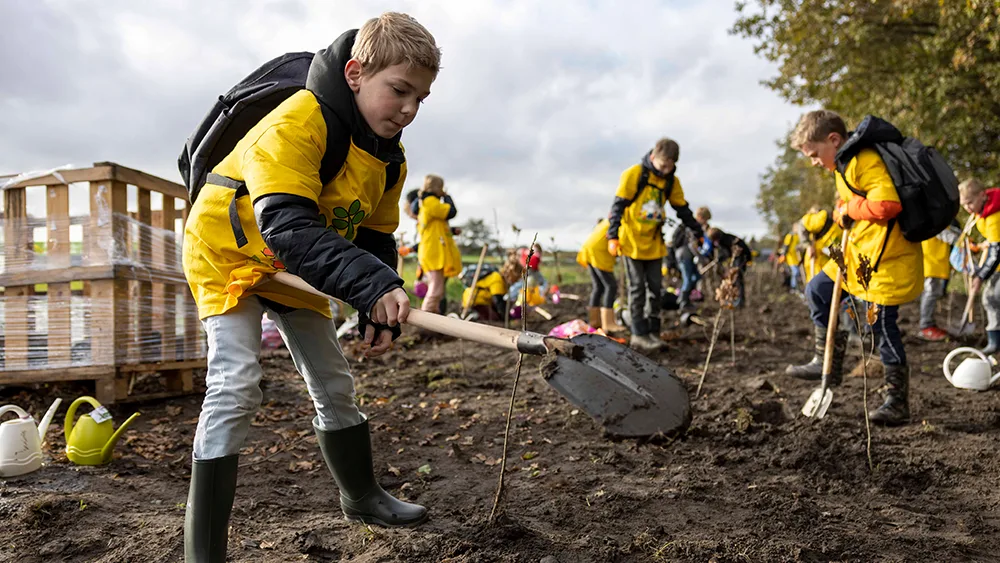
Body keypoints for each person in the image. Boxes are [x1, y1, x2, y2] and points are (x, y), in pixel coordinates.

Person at [181, 13, 440, 561]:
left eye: (421, 97)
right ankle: (203, 550)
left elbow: (373, 235)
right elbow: (288, 225)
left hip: (296, 263)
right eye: (399, 90)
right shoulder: (297, 122)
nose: (410, 109)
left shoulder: (388, 160)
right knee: (235, 383)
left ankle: (362, 495)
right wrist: (367, 287)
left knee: (333, 380)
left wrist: (378, 299)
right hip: (229, 253)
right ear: (355, 74)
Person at [786, 109, 923, 426]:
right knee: (818, 290)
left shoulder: (864, 160)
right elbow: (858, 206)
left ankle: (897, 402)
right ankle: (828, 364)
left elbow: (889, 205)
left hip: (887, 260)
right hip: (861, 255)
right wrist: (843, 210)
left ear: (833, 140)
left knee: (881, 329)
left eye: (814, 154)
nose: (814, 162)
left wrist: (850, 208)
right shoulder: (844, 166)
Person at [607, 138, 704, 352]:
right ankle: (638, 334)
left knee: (655, 290)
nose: (665, 170)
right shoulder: (634, 174)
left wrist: (698, 232)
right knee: (637, 289)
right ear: (653, 157)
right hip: (632, 243)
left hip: (654, 244)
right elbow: (617, 207)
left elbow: (683, 210)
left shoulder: (671, 181)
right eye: (662, 165)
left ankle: (653, 332)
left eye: (670, 166)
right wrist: (612, 236)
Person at [960, 179, 1000, 353]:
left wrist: (981, 276)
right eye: (964, 204)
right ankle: (995, 340)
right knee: (990, 298)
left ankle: (994, 342)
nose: (967, 208)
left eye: (970, 202)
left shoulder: (994, 216)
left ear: (982, 195)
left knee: (992, 297)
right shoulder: (982, 210)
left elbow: (997, 250)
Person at [415, 173, 461, 314]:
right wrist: (447, 197)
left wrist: (452, 230)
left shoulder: (427, 204)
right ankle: (426, 319)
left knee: (437, 288)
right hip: (433, 251)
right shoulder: (431, 203)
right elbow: (451, 211)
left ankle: (433, 317)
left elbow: (437, 228)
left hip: (432, 250)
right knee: (435, 288)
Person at [576, 218, 625, 332]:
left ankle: (595, 322)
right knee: (611, 286)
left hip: (589, 250)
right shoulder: (621, 220)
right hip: (598, 252)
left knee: (598, 286)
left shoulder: (607, 221)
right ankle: (609, 323)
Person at [918, 219, 961, 342]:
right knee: (930, 294)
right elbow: (947, 235)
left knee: (934, 293)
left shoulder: (942, 221)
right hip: (931, 263)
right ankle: (926, 325)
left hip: (937, 263)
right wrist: (962, 241)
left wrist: (962, 236)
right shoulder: (933, 220)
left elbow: (951, 231)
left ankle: (929, 323)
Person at [672, 206, 712, 310]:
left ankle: (685, 299)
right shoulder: (691, 226)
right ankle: (683, 302)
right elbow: (692, 245)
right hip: (684, 255)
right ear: (699, 217)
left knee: (697, 276)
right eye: (705, 220)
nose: (706, 223)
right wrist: (701, 258)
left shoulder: (693, 227)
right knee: (688, 279)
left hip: (687, 256)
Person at [706, 227, 751, 308]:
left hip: (740, 258)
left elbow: (727, 253)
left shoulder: (726, 239)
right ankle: (733, 300)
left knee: (737, 279)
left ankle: (739, 302)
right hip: (738, 258)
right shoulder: (724, 238)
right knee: (732, 281)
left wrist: (720, 258)